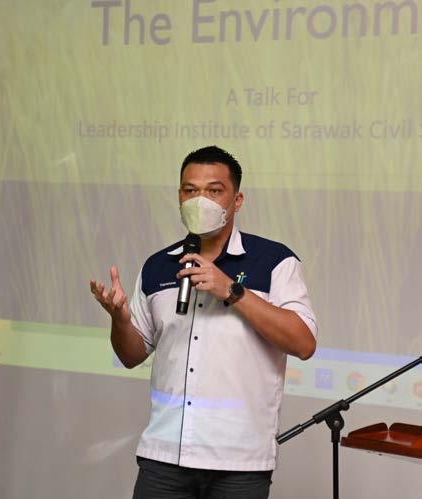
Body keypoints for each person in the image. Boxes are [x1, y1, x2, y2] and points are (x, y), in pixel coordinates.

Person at [90, 145, 317, 498]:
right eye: (190, 190)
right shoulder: (158, 265)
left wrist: (232, 290)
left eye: (214, 191)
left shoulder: (274, 261)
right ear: (179, 196)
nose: (200, 200)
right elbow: (131, 355)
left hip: (240, 462)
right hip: (164, 455)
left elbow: (303, 343)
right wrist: (120, 320)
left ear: (237, 200)